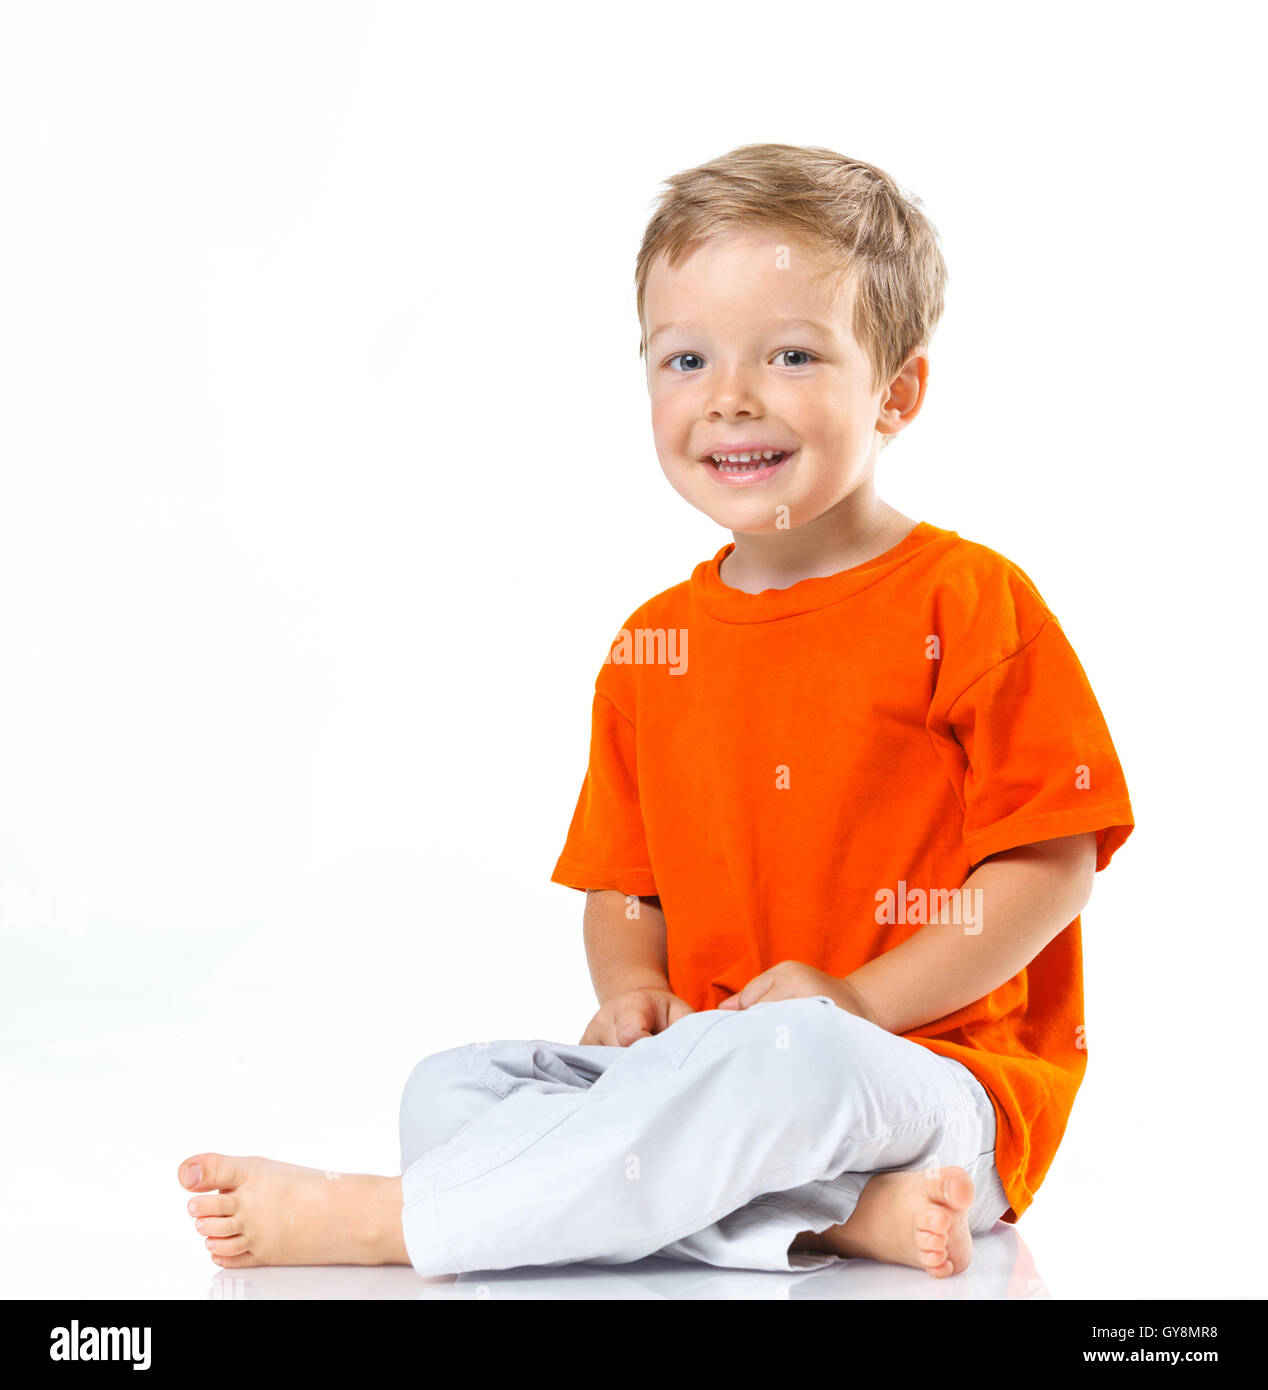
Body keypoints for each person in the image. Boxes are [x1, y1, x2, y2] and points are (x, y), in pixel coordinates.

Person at [178, 143, 1134, 1279]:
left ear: (896, 392)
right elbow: (625, 888)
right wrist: (632, 991)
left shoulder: (972, 603)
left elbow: (1047, 869)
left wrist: (856, 1000)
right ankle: (823, 1222)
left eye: (789, 354)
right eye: (686, 358)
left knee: (794, 1062)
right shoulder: (650, 647)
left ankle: (397, 1223)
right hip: (715, 1073)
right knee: (452, 1091)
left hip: (929, 1088)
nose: (730, 395)